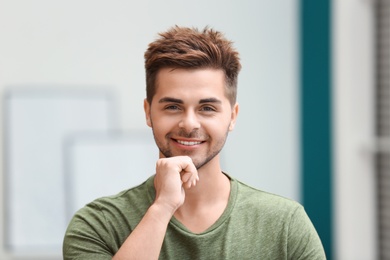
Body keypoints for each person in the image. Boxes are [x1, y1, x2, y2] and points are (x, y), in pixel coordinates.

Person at [63, 26, 326, 259]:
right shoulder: (98, 225)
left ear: (232, 117)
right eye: (173, 106)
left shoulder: (285, 225)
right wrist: (162, 207)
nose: (189, 124)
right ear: (148, 112)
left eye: (207, 108)